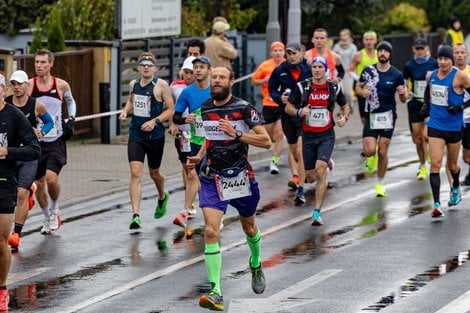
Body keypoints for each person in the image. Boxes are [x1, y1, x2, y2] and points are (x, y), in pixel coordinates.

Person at [187, 66, 271, 311]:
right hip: (212, 176)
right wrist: (198, 156)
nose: (217, 81)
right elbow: (209, 138)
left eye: (222, 77)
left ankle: (255, 263)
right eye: (214, 77)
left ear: (231, 82)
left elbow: (265, 141)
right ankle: (216, 291)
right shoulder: (205, 109)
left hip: (240, 176)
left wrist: (236, 133)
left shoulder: (244, 108)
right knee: (211, 231)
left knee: (249, 226)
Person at [286, 57, 350, 226]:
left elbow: (345, 105)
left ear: (325, 69)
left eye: (320, 67)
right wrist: (300, 111)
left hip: (326, 135)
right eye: (314, 67)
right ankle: (326, 161)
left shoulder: (333, 87)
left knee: (320, 172)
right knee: (309, 178)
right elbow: (288, 107)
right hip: (308, 136)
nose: (316, 70)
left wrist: (345, 117)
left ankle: (316, 212)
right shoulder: (302, 87)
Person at [119, 52, 174, 229]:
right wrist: (125, 111)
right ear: (138, 68)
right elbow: (131, 101)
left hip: (155, 136)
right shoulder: (134, 84)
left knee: (154, 174)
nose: (146, 67)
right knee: (135, 173)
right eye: (143, 64)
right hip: (136, 135)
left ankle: (161, 196)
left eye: (149, 65)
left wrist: (154, 121)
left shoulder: (161, 86)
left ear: (155, 68)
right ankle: (135, 215)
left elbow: (171, 110)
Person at [0, 73, 41, 310]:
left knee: (1, 241)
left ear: (3, 90)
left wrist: (8, 152)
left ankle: (2, 289)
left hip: (4, 182)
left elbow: (34, 150)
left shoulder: (14, 116)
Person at [28, 49, 77, 234]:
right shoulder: (29, 86)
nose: (38, 66)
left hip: (55, 139)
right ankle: (47, 216)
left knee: (51, 179)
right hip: (36, 141)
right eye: (36, 62)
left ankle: (55, 207)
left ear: (50, 64)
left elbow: (71, 101)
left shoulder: (61, 85)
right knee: (39, 183)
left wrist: (71, 119)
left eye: (42, 62)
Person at [6, 70, 53, 249]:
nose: (16, 88)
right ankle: (30, 192)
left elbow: (49, 122)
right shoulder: (6, 104)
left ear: (27, 85)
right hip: (9, 154)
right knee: (10, 194)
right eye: (13, 84)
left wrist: (41, 132)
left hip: (27, 155)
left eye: (20, 84)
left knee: (21, 193)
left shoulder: (36, 106)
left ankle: (16, 234)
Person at [355, 41, 407, 197]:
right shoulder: (368, 71)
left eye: (386, 51)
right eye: (381, 51)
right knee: (370, 150)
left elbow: (403, 100)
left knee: (383, 150)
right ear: (377, 53)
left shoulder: (396, 75)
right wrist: (362, 92)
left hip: (388, 116)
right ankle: (371, 157)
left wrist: (403, 93)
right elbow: (357, 87)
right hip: (371, 115)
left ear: (390, 54)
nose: (383, 53)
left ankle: (380, 183)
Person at [424, 45, 470, 217]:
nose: (442, 62)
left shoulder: (460, 76)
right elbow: (428, 94)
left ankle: (456, 187)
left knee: (452, 165)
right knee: (435, 163)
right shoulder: (431, 75)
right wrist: (425, 105)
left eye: (446, 59)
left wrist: (460, 106)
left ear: (452, 60)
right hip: (436, 125)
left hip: (454, 127)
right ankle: (436, 204)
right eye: (440, 58)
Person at [269, 42, 311, 204]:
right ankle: (309, 169)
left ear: (302, 52)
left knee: (300, 152)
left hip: (305, 114)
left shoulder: (309, 69)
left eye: (295, 53)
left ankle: (300, 187)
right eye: (289, 53)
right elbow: (272, 88)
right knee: (294, 151)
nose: (292, 56)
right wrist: (280, 98)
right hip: (287, 114)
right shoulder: (280, 70)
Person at [172, 56, 212, 227]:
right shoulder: (187, 92)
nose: (197, 70)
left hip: (215, 141)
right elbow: (176, 117)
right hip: (196, 140)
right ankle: (185, 211)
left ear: (209, 71)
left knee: (212, 178)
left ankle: (217, 213)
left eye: (202, 67)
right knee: (193, 175)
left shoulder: (217, 90)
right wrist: (184, 119)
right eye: (195, 67)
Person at [403, 38, 438, 180]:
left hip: (430, 104)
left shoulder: (434, 63)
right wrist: (406, 92)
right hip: (415, 104)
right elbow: (403, 83)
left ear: (427, 48)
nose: (419, 51)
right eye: (417, 48)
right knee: (417, 138)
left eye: (421, 48)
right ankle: (422, 165)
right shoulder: (409, 65)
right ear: (413, 49)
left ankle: (429, 157)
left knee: (426, 136)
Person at [252, 41, 286, 174]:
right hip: (268, 104)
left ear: (284, 52)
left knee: (279, 135)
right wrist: (263, 81)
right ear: (271, 53)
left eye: (280, 50)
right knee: (269, 137)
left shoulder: (287, 66)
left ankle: (274, 162)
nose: (278, 53)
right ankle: (276, 146)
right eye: (275, 50)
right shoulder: (265, 65)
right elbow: (253, 81)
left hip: (283, 105)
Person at [170, 56, 196, 193]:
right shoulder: (175, 86)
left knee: (199, 165)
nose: (188, 76)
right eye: (186, 72)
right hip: (183, 131)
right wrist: (172, 124)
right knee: (186, 165)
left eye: (191, 72)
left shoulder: (204, 87)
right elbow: (170, 108)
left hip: (199, 132)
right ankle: (190, 199)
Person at [350, 31, 378, 124]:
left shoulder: (379, 54)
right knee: (364, 119)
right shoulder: (358, 55)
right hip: (362, 90)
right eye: (367, 39)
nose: (369, 42)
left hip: (376, 90)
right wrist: (360, 80)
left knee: (376, 115)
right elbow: (350, 70)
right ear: (363, 41)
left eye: (371, 39)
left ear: (375, 41)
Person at [453, 43, 470, 185]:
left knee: (467, 157)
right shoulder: (448, 72)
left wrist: (462, 107)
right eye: (456, 53)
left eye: (462, 52)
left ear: (467, 55)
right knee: (459, 158)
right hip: (453, 120)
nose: (459, 55)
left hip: (469, 119)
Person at [333, 29, 357, 105]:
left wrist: (351, 70)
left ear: (348, 36)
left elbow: (354, 60)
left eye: (344, 35)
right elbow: (333, 58)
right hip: (339, 72)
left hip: (348, 72)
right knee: (341, 91)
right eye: (341, 35)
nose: (342, 37)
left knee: (348, 92)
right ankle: (342, 110)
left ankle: (350, 106)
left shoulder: (353, 47)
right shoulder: (336, 46)